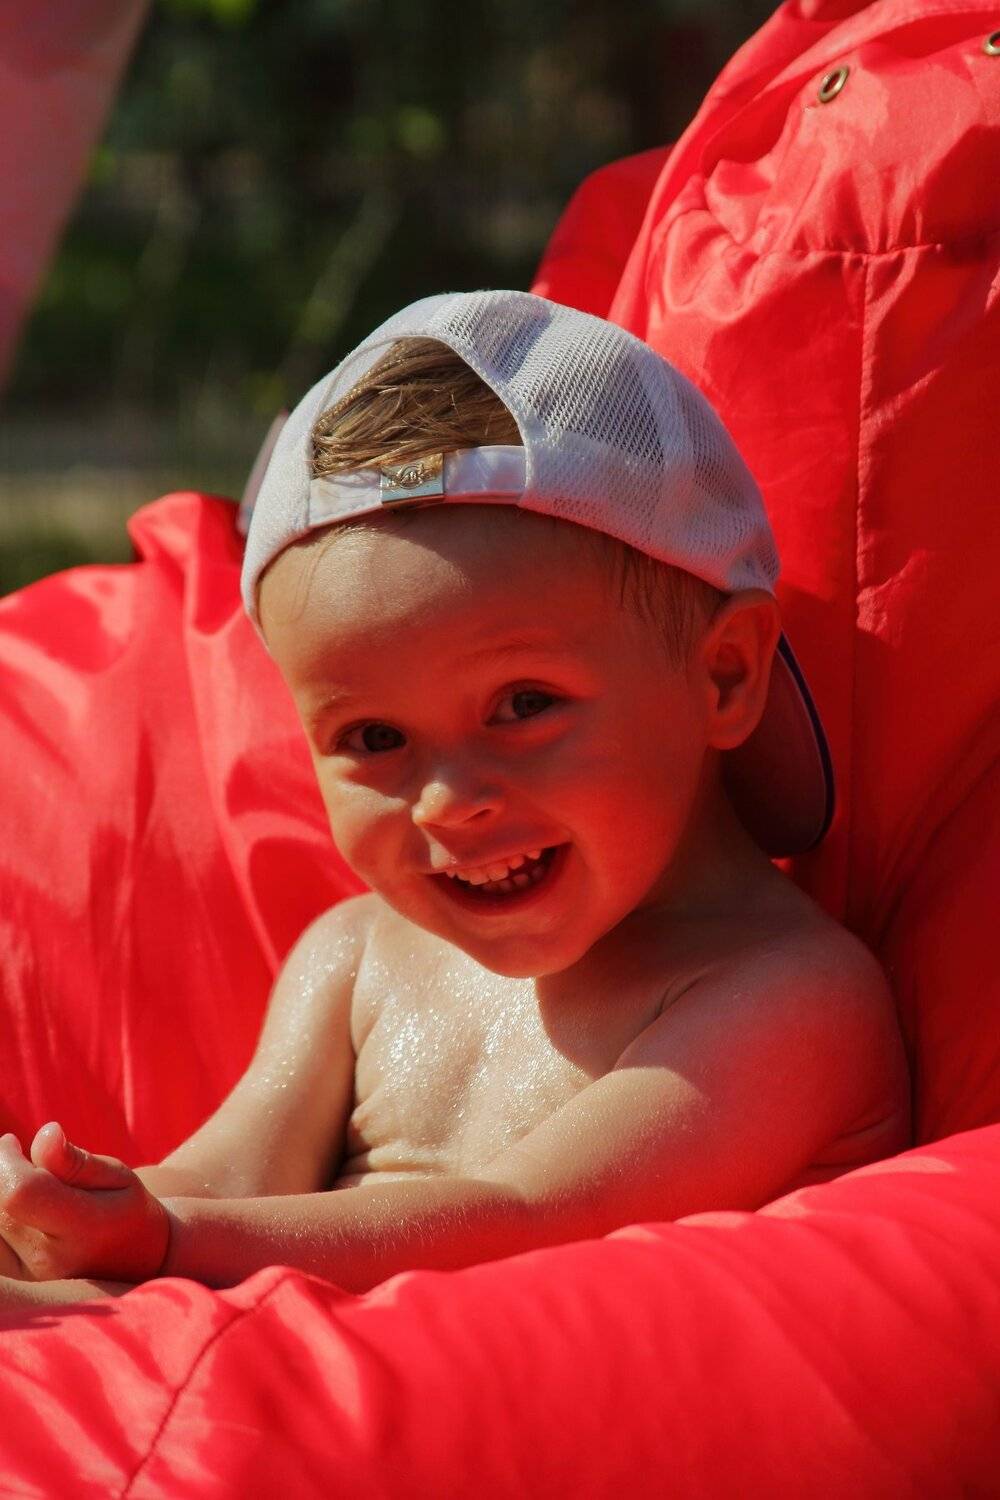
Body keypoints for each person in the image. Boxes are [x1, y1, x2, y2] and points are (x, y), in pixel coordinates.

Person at [0, 290, 910, 1307]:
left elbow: (529, 1220)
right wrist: (59, 1225)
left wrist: (159, 1241)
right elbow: (218, 1187)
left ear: (725, 675)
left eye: (523, 706)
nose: (445, 801)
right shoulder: (357, 957)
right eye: (373, 739)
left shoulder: (791, 1000)